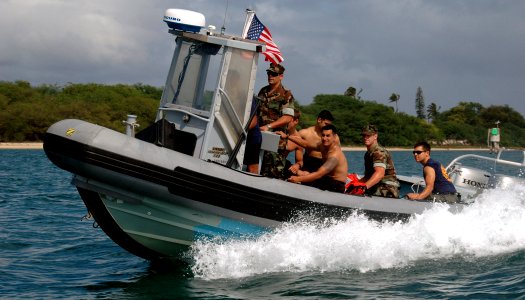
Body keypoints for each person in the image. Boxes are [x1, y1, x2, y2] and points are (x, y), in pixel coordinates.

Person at [257, 63, 295, 179]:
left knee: (274, 173)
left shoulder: (286, 94)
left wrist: (269, 126)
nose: (270, 76)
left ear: (281, 76)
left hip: (276, 140)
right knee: (258, 168)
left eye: (274, 74)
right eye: (269, 73)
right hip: (260, 136)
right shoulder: (263, 91)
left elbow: (288, 117)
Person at [288, 124, 348, 193]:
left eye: (328, 136)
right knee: (298, 172)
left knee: (303, 177)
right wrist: (288, 137)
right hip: (326, 179)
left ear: (334, 137)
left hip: (336, 185)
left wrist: (298, 179)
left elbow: (319, 174)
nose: (325, 138)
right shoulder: (322, 146)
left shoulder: (334, 156)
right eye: (323, 135)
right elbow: (306, 144)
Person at [359, 124, 400, 198]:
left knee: (361, 192)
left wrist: (363, 188)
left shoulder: (379, 152)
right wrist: (354, 185)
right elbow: (367, 177)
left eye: (368, 135)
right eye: (364, 135)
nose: (365, 138)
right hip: (378, 185)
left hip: (387, 188)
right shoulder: (368, 154)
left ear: (375, 136)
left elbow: (380, 173)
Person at [283, 109, 304, 177]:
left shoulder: (298, 140)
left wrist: (297, 165)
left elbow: (300, 161)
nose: (284, 122)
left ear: (296, 121)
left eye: (288, 121)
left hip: (279, 166)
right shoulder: (276, 130)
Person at [243, 97, 262, 174]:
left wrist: (240, 131)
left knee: (252, 169)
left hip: (253, 138)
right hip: (242, 135)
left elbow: (253, 121)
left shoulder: (249, 97)